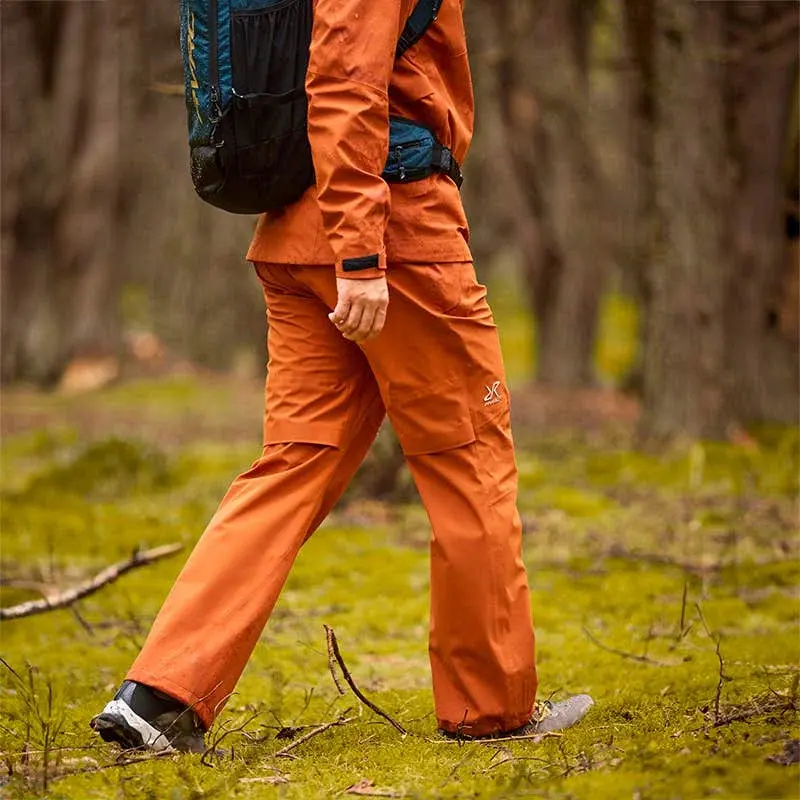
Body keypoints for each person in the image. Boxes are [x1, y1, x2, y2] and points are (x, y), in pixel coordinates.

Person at [90, 0, 593, 752]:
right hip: (389, 237)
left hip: (298, 235)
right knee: (470, 458)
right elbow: (344, 81)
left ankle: (159, 697)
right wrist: (361, 256)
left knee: (293, 464)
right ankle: (491, 709)